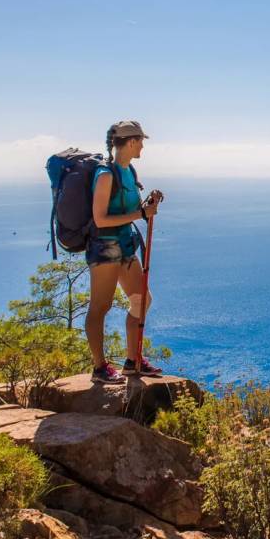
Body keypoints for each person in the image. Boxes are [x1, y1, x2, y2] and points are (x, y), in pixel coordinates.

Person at [85, 120, 163, 383]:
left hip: (125, 244)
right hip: (105, 246)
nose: (143, 145)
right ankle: (99, 368)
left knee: (142, 299)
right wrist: (140, 213)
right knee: (100, 307)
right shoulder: (106, 175)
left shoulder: (129, 171)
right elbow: (100, 219)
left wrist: (146, 204)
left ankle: (133, 361)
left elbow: (125, 209)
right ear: (131, 142)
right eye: (141, 141)